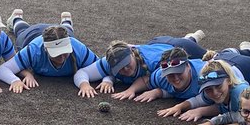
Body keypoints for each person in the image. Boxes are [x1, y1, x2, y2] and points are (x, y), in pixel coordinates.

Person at [74, 35, 205, 100]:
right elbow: (82, 73)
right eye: (119, 68)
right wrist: (85, 84)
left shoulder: (156, 62)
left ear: (132, 53)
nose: (125, 70)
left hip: (179, 47)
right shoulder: (110, 61)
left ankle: (191, 38)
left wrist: (132, 89)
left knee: (209, 57)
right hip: (154, 44)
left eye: (126, 64)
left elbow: (155, 81)